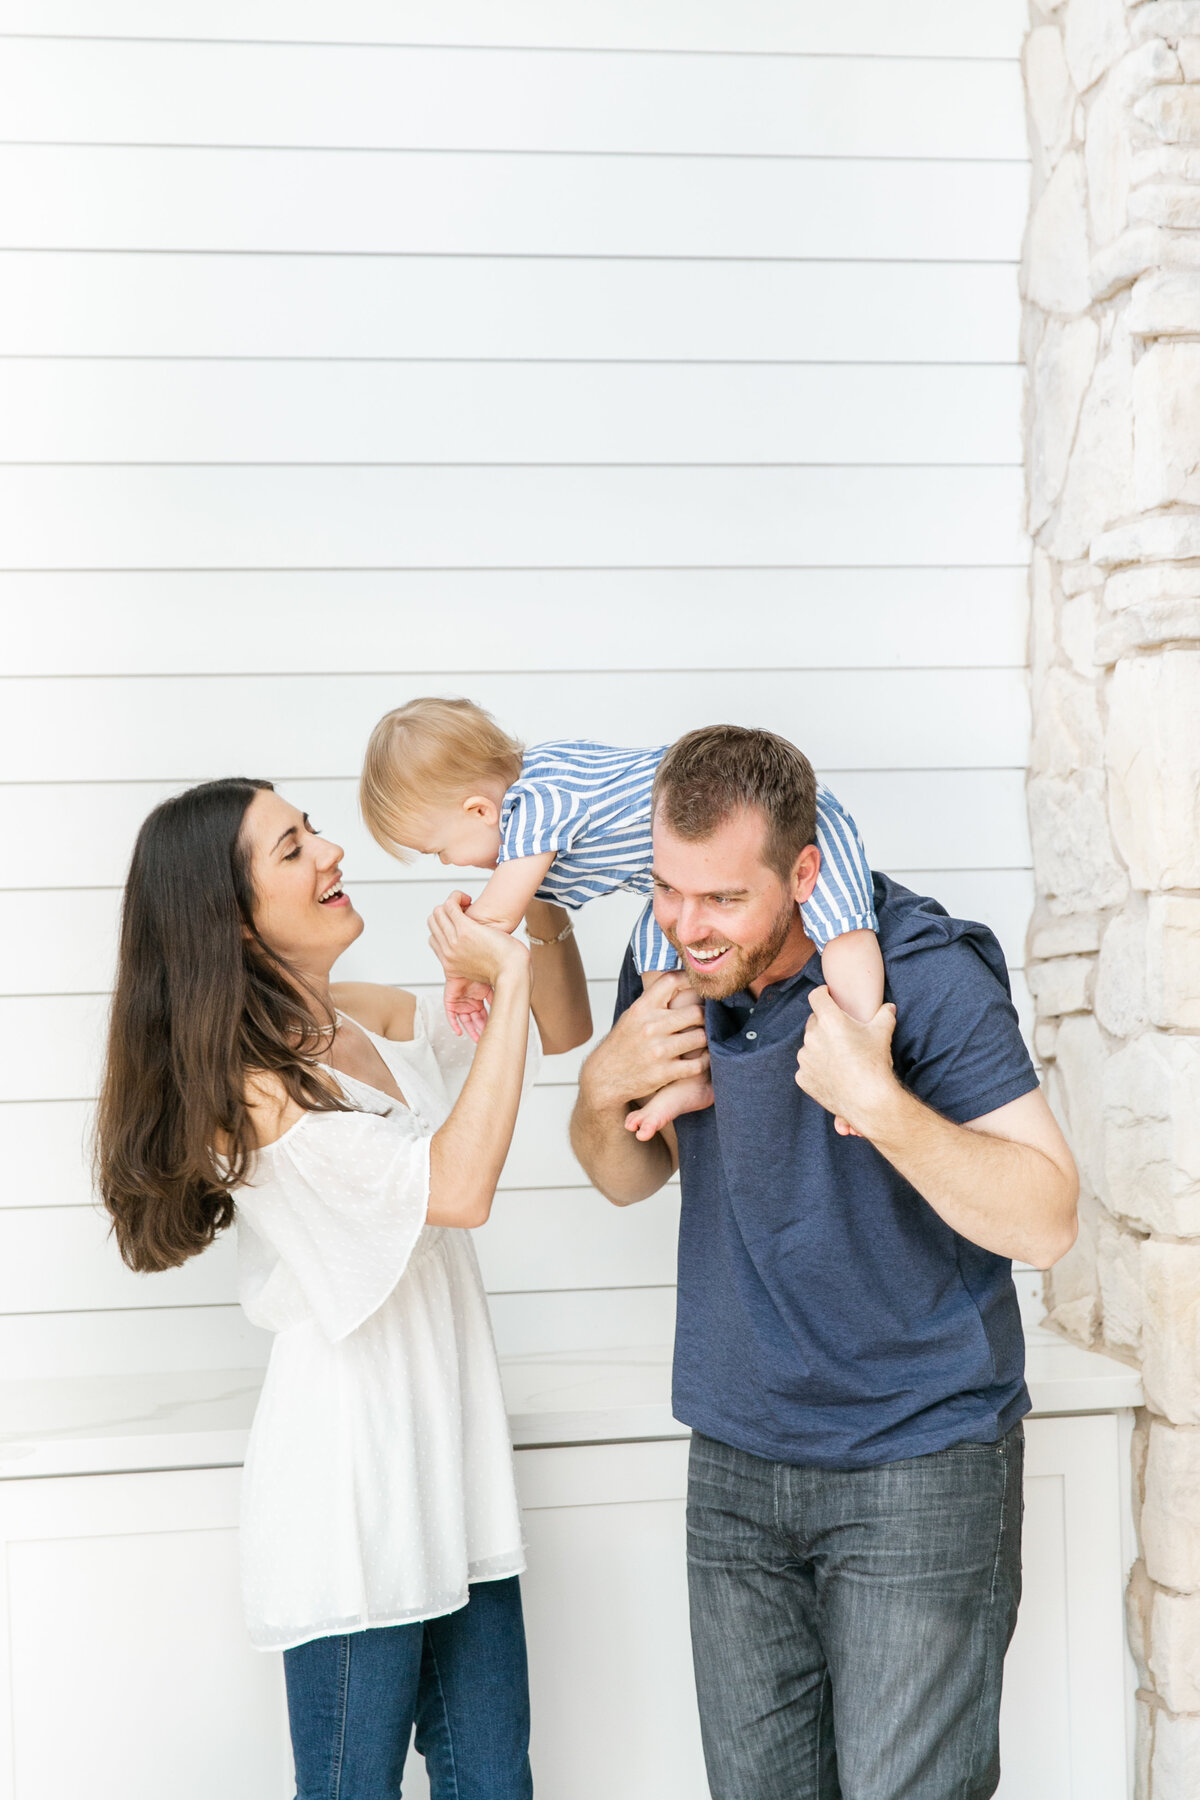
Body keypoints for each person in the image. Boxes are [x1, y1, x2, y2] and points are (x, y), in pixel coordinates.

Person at [569, 725, 1079, 1800]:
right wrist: (597, 1087)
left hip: (919, 1463)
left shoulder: (925, 974)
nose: (684, 927)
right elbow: (626, 1175)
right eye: (666, 887)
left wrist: (882, 1104)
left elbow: (1046, 1217)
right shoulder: (670, 959)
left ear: (807, 874)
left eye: (720, 899)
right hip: (738, 1461)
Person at [94, 777, 591, 1800]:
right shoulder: (254, 1089)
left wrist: (530, 877)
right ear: (231, 924)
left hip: (452, 1470)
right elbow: (458, 1185)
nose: (331, 852)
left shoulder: (368, 1020)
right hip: (352, 1496)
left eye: (312, 828)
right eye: (292, 848)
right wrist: (497, 974)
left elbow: (546, 1018)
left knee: (495, 1781)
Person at [359, 695, 884, 1139]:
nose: (449, 865)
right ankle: (690, 1073)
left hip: (786, 822)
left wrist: (461, 968)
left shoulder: (536, 803)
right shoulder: (536, 787)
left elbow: (495, 920)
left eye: (439, 851)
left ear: (479, 811)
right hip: (682, 880)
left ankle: (861, 1063)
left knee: (843, 932)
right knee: (659, 964)